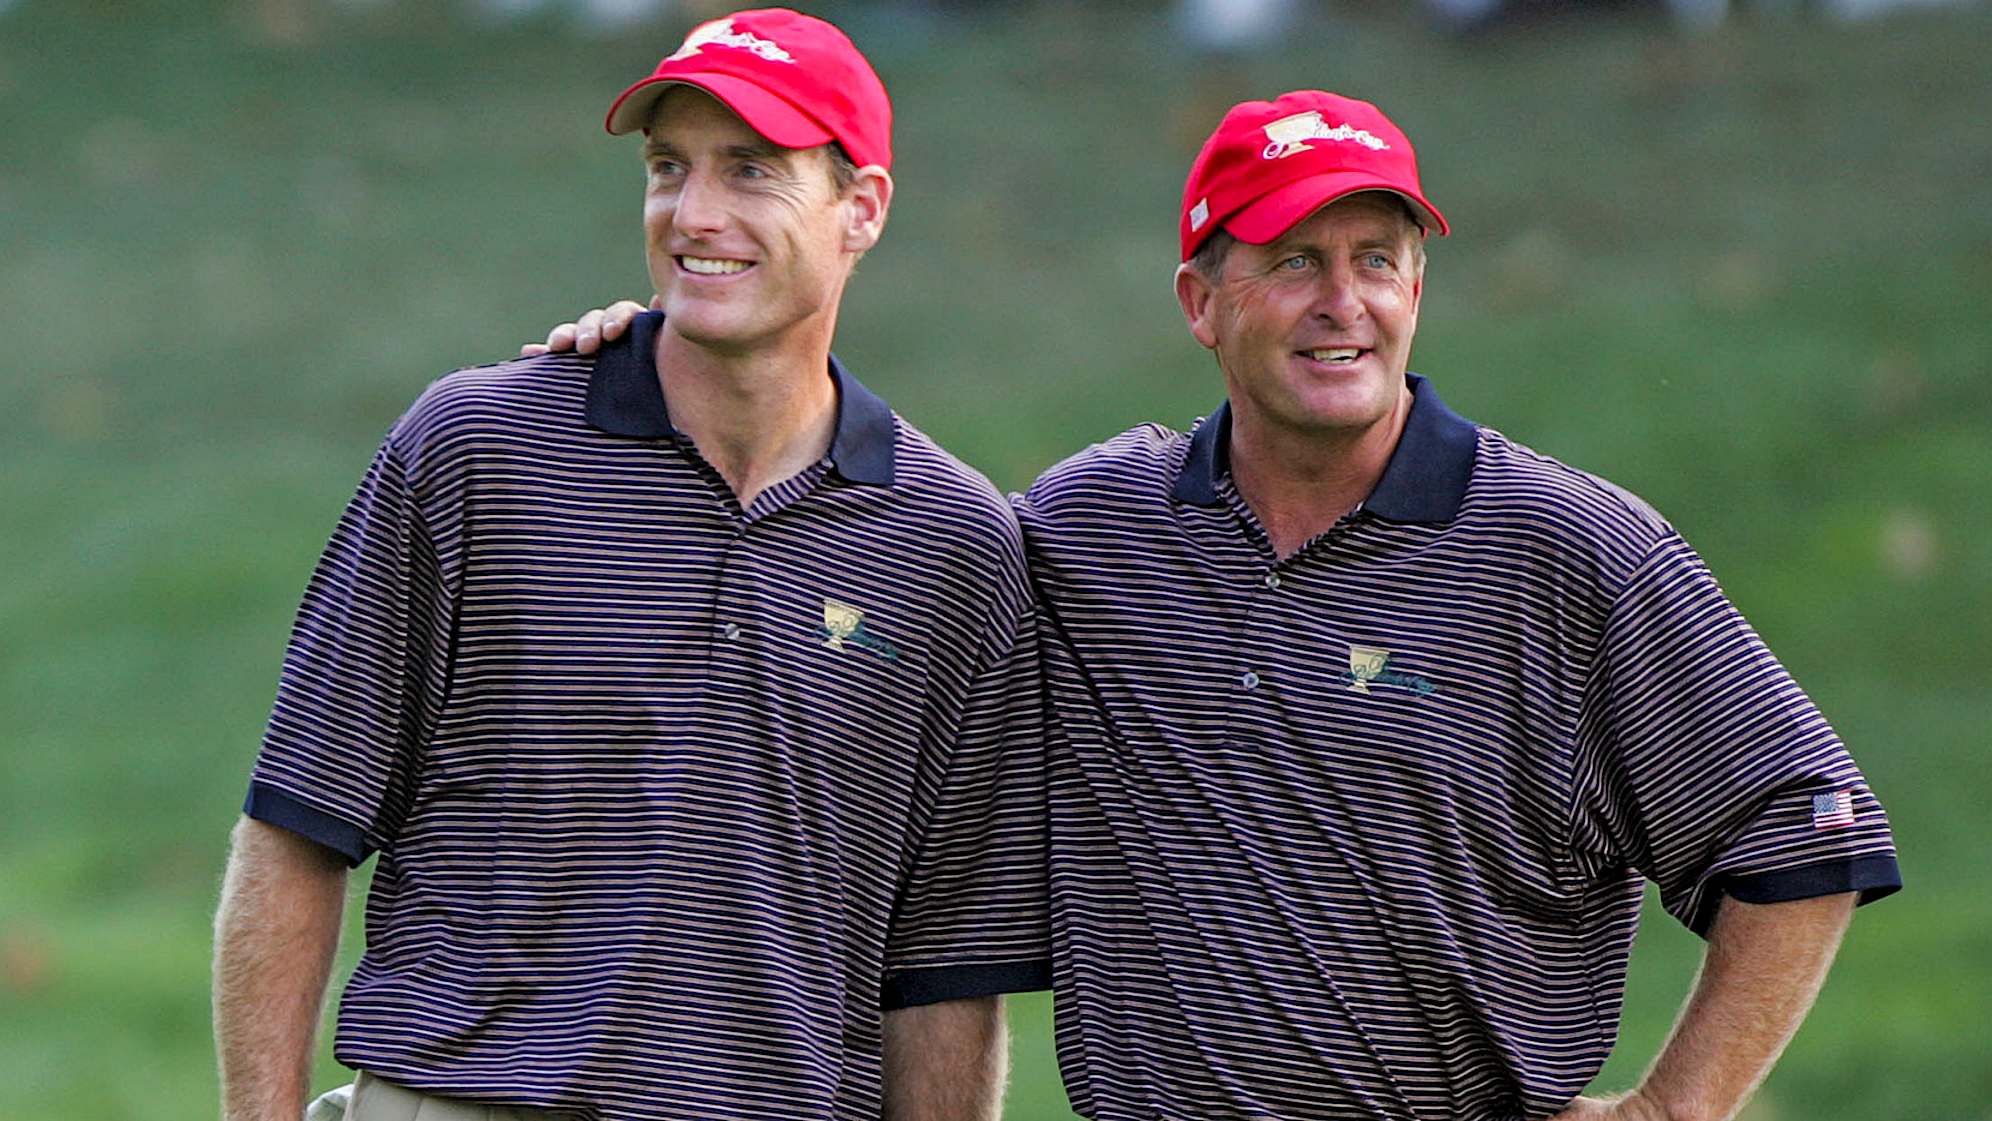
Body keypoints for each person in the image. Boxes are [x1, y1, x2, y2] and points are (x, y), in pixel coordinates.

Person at [531, 89, 1901, 1121]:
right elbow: (876, 532)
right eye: (1293, 261)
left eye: (1377, 258)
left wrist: (1674, 1108)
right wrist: (667, 342)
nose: (1342, 302)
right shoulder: (1083, 530)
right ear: (1203, 299)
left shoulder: (1566, 545)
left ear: (1418, 287)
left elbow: (1803, 835)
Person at [212, 10, 1050, 1121]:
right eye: (669, 168)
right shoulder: (476, 448)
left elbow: (943, 970)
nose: (694, 214)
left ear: (863, 209)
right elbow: (297, 829)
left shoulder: (952, 541)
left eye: (750, 171)